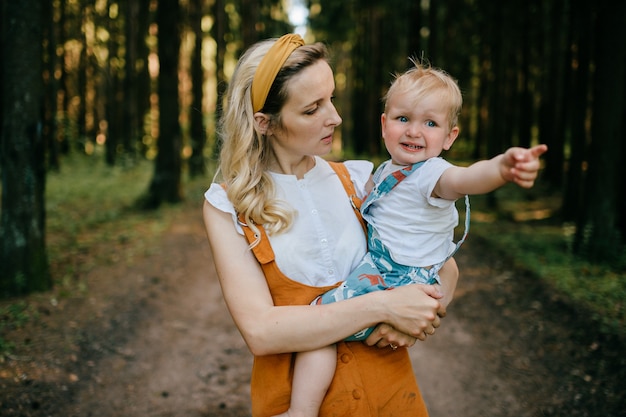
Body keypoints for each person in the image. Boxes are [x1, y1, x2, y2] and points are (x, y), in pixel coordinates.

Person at [203, 34, 462, 417]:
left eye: (332, 99)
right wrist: (385, 306)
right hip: (295, 405)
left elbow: (444, 266)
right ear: (265, 122)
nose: (335, 118)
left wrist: (416, 318)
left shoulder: (360, 182)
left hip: (391, 398)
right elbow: (262, 331)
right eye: (312, 109)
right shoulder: (228, 206)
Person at [289, 59, 548, 417]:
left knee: (318, 325)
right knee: (326, 328)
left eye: (430, 123)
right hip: (389, 271)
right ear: (385, 125)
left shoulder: (433, 175)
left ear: (449, 137)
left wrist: (502, 168)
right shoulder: (386, 170)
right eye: (403, 119)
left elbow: (467, 179)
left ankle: (300, 412)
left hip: (395, 276)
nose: (414, 131)